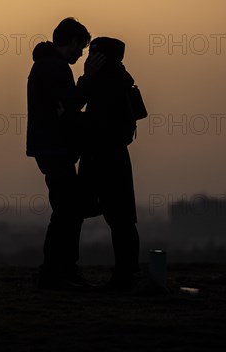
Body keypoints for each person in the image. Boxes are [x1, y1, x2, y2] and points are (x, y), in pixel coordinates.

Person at [26, 17, 105, 289]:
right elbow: (70, 104)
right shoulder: (55, 67)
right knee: (66, 211)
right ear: (71, 42)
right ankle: (55, 272)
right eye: (80, 48)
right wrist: (88, 78)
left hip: (50, 148)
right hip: (55, 148)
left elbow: (65, 108)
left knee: (66, 209)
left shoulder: (45, 65)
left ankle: (60, 270)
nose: (81, 54)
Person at [77, 36, 141, 290]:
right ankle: (126, 272)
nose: (89, 59)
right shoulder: (119, 80)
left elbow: (96, 124)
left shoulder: (107, 84)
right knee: (122, 220)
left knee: (88, 213)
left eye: (94, 55)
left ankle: (124, 275)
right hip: (113, 158)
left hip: (102, 157)